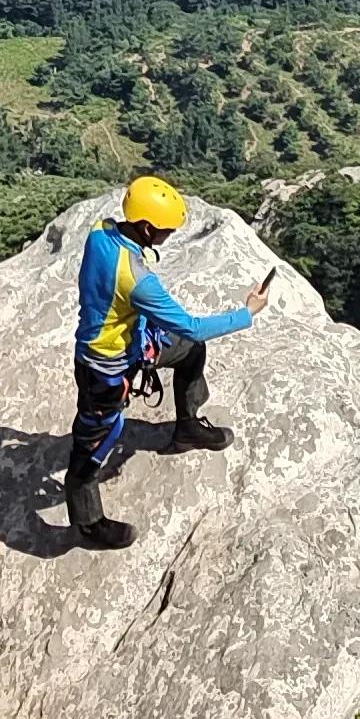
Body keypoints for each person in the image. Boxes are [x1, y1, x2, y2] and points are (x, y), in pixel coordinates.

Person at [67, 175, 270, 551]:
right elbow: (191, 325)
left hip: (130, 343)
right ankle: (87, 523)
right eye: (165, 230)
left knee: (190, 352)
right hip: (105, 367)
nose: (170, 235)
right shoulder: (138, 280)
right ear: (146, 227)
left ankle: (187, 426)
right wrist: (247, 313)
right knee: (92, 445)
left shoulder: (101, 233)